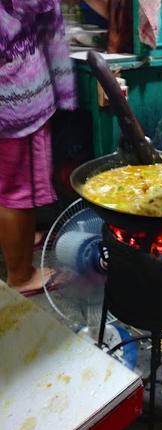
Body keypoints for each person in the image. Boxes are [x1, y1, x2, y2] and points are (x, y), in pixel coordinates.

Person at [0, 0, 76, 297]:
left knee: (9, 185)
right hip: (15, 100)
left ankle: (22, 238)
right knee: (18, 193)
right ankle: (21, 275)